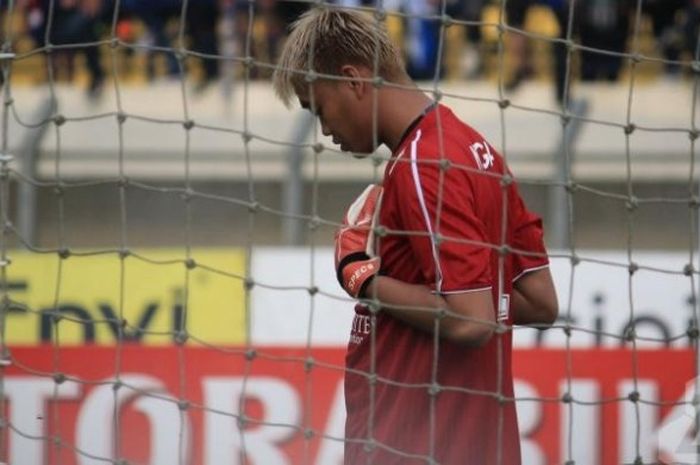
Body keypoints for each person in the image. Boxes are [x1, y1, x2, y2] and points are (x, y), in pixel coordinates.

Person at [273, 7, 558, 465]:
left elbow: (472, 321)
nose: (325, 131)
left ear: (353, 79)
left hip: (416, 445)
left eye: (319, 109)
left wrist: (361, 276)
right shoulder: (474, 148)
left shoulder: (421, 163)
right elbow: (539, 301)